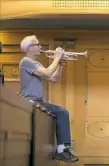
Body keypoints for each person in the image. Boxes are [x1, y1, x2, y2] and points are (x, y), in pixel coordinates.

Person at [19, 35, 79, 163]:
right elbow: (47, 73)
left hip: (38, 101)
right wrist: (57, 57)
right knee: (62, 113)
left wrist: (61, 64)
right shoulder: (26, 61)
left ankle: (61, 150)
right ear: (30, 48)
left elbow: (54, 79)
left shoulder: (36, 63)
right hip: (29, 101)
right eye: (38, 45)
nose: (40, 47)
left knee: (60, 113)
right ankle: (62, 150)